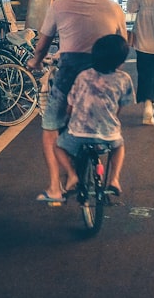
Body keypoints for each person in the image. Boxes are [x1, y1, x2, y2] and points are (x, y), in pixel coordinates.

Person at [27, 0, 128, 202]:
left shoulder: (59, 5)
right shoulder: (114, 8)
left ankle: (55, 186)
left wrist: (36, 62)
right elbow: (122, 46)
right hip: (103, 75)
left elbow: (42, 46)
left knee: (50, 128)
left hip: (69, 76)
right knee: (111, 118)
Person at [55, 33, 133, 196]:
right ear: (121, 60)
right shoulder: (124, 79)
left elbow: (71, 105)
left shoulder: (83, 76)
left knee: (58, 147)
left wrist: (67, 117)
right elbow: (120, 106)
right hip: (108, 132)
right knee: (118, 146)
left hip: (78, 131)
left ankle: (71, 176)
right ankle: (114, 180)